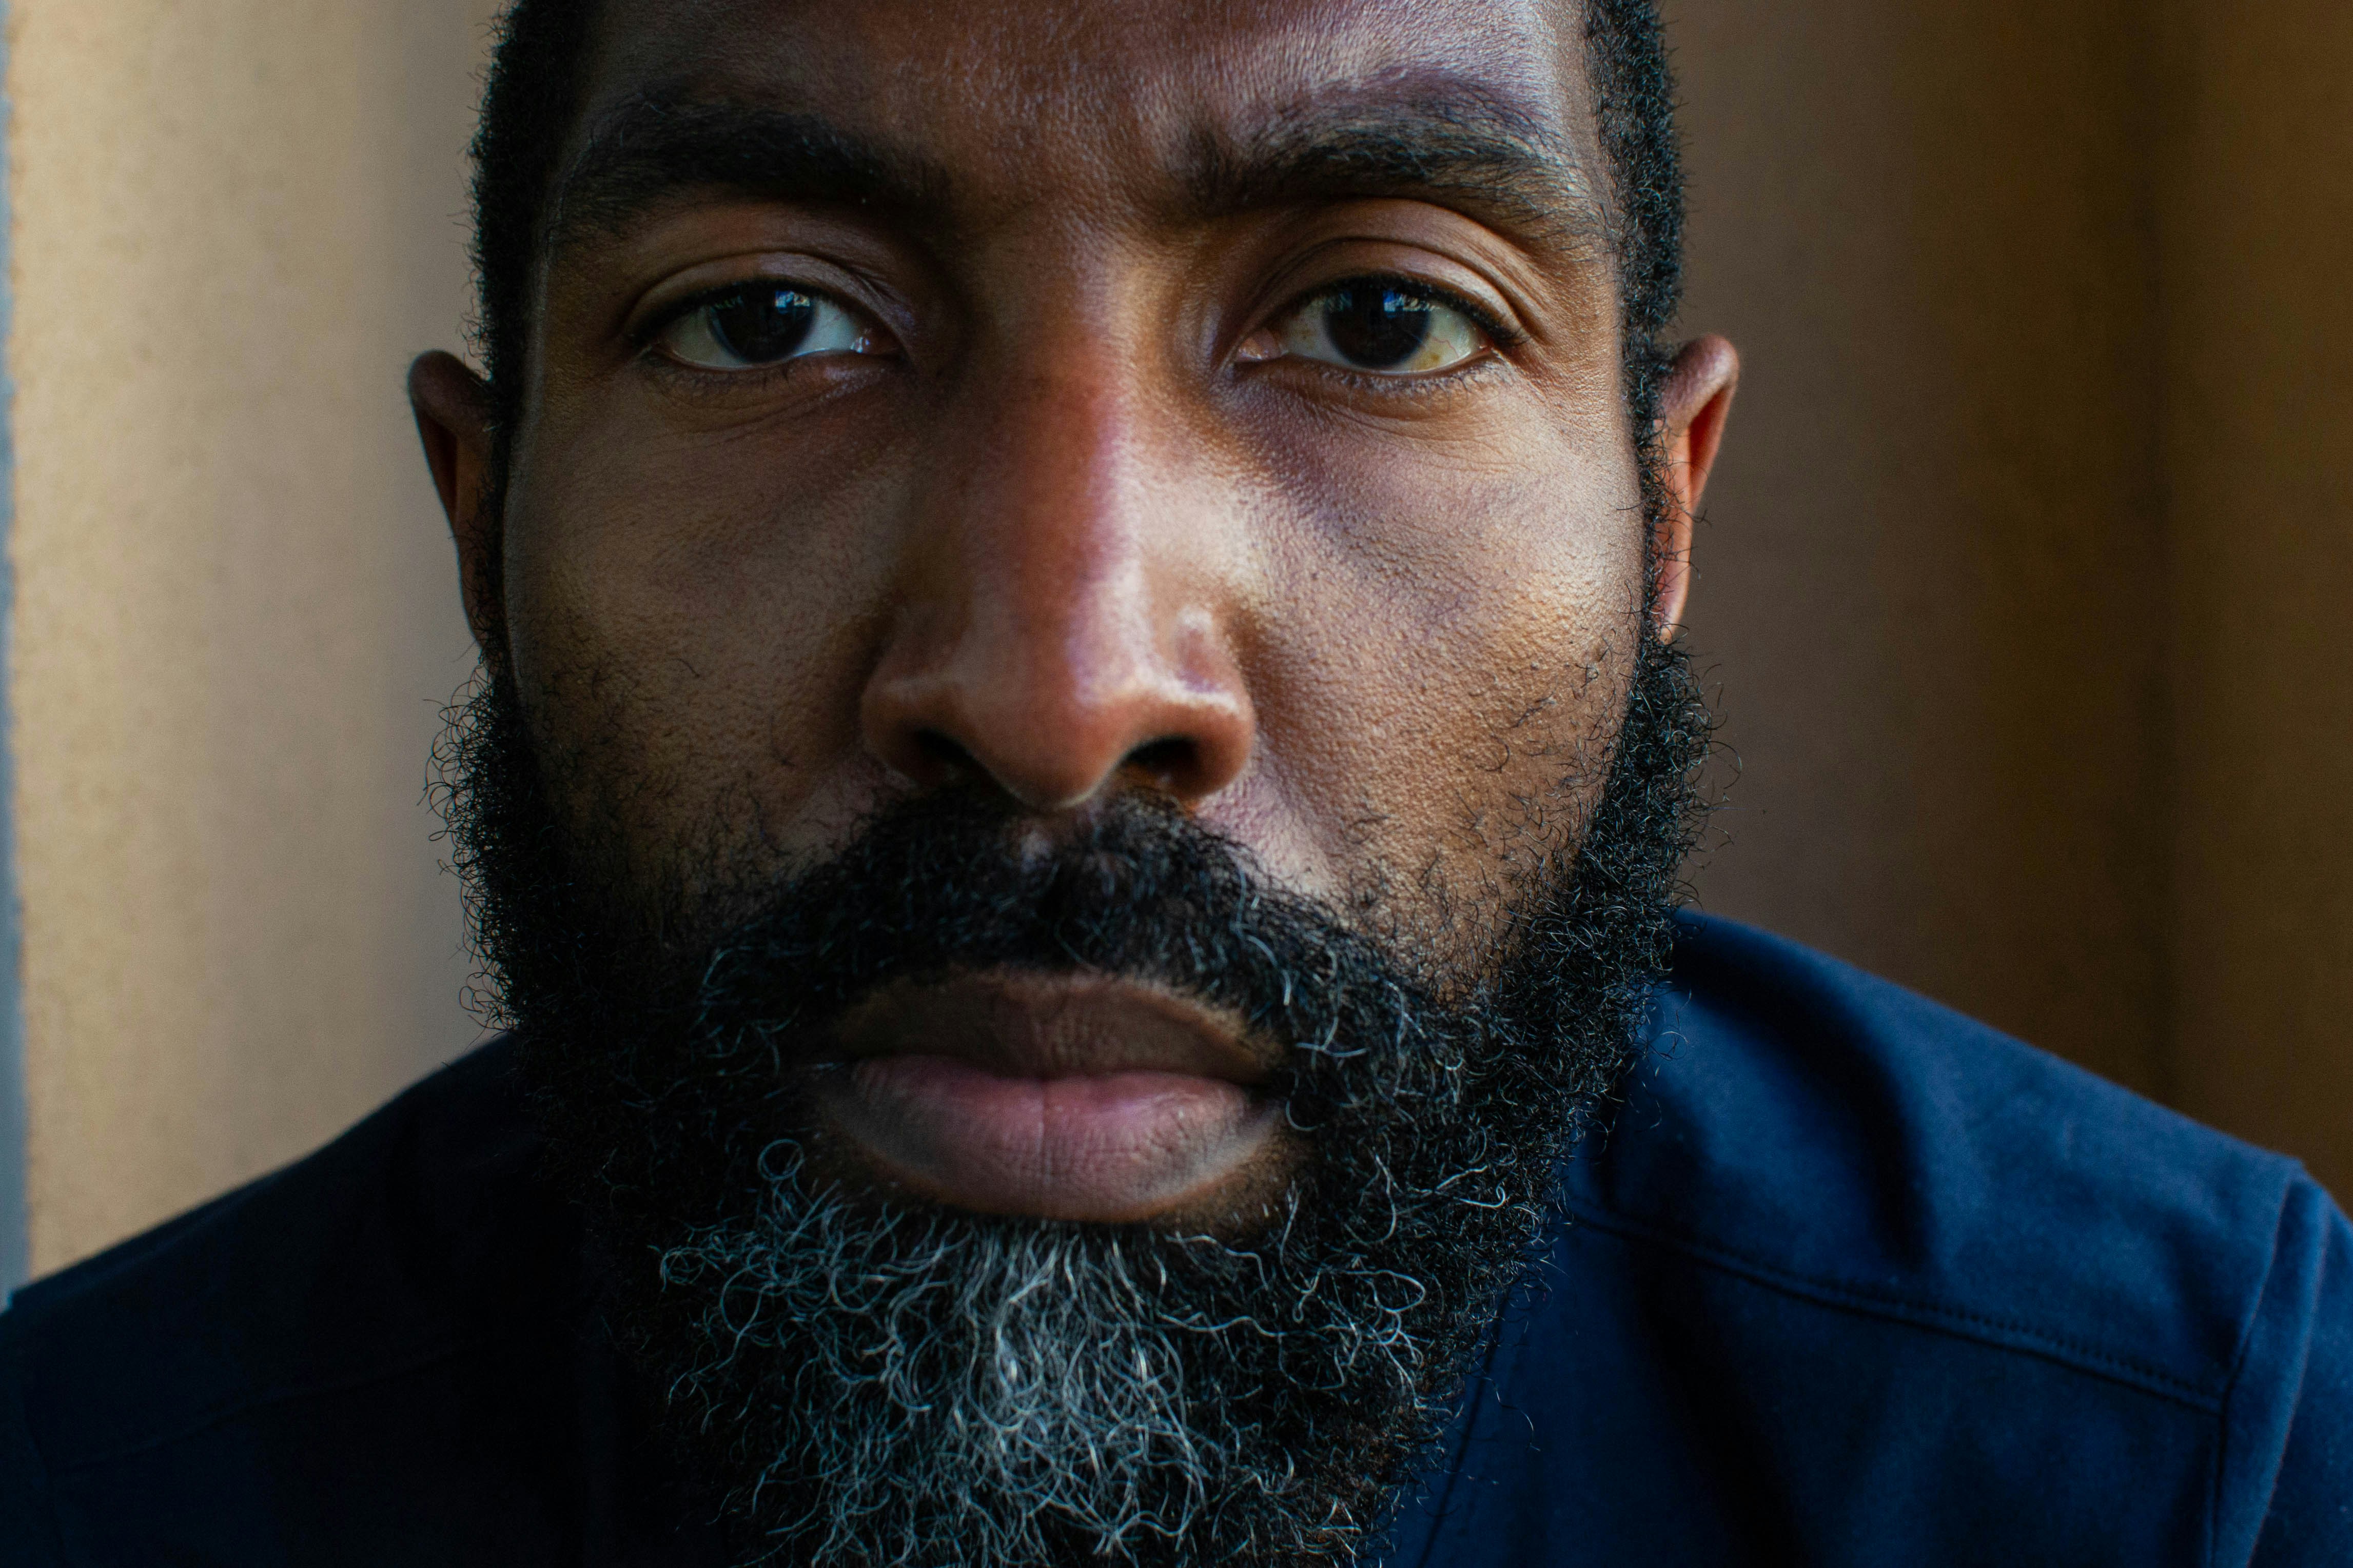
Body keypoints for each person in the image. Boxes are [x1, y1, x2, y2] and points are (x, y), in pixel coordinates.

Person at [3, 0, 2347, 1561]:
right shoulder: (88, 1492)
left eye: (1380, 318)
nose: (1063, 690)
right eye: (767, 319)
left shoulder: (2187, 1460)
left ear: (1663, 518)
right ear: (481, 524)